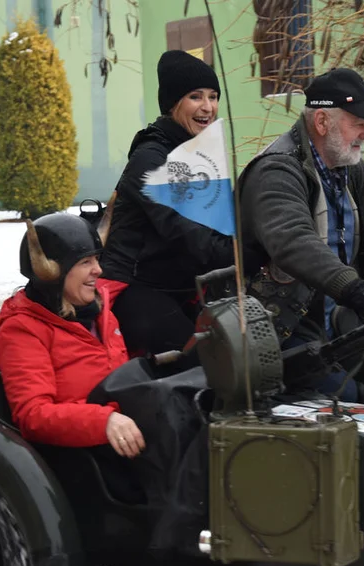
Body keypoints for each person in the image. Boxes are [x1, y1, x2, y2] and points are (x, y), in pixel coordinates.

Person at [237, 67, 364, 399]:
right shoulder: (277, 169)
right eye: (359, 123)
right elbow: (293, 241)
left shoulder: (350, 171)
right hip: (283, 331)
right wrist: (353, 288)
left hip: (340, 327)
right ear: (322, 123)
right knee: (352, 398)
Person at [0, 213, 147, 497]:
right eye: (85, 262)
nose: (98, 270)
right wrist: (104, 421)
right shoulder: (22, 328)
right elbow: (33, 415)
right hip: (81, 462)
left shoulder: (98, 310)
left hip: (127, 435)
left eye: (97, 259)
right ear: (54, 272)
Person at [99, 49, 237, 358]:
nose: (208, 107)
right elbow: (192, 235)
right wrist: (247, 253)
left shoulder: (197, 155)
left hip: (184, 287)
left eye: (213, 97)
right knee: (205, 361)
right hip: (135, 288)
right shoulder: (151, 160)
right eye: (196, 97)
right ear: (173, 104)